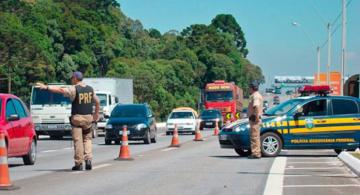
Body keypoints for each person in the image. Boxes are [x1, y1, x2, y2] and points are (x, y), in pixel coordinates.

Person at [36, 71, 100, 171]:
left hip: (77, 119)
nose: (71, 80)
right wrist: (96, 114)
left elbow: (61, 90)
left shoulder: (74, 89)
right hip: (88, 118)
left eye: (72, 78)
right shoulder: (90, 89)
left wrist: (46, 87)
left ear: (75, 78)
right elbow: (97, 102)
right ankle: (88, 160)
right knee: (87, 139)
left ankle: (79, 164)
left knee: (78, 141)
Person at [247, 81, 263, 159]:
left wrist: (256, 117)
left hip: (254, 119)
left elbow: (256, 106)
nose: (248, 89)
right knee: (255, 136)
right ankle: (256, 152)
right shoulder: (254, 95)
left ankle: (256, 153)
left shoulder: (255, 96)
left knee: (254, 137)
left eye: (250, 87)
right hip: (253, 119)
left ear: (253, 88)